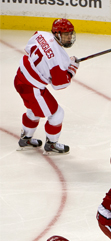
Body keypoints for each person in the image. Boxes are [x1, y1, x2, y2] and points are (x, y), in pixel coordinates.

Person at [15, 18, 79, 154]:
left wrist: (63, 64)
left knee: (33, 110)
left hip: (20, 78)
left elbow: (29, 49)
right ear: (56, 34)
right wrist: (71, 69)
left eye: (70, 34)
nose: (69, 37)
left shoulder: (40, 34)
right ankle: (52, 144)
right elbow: (59, 84)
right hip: (33, 87)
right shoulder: (60, 57)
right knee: (57, 114)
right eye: (65, 34)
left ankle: (26, 139)